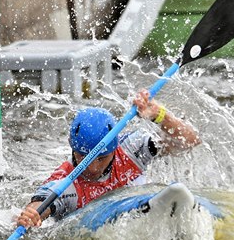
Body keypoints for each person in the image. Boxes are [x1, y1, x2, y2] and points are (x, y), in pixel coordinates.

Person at [16, 89, 201, 228]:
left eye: (102, 158)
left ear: (115, 148)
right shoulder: (64, 184)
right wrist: (32, 214)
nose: (94, 167)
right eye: (84, 157)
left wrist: (160, 115)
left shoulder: (131, 149)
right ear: (72, 147)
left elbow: (190, 141)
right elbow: (41, 203)